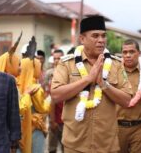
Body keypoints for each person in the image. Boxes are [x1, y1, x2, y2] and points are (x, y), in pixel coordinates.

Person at [51, 15, 132, 153]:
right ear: (82, 39)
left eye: (103, 36)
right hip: (75, 144)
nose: (101, 40)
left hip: (106, 145)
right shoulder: (67, 63)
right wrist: (88, 80)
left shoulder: (116, 64)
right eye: (95, 36)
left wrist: (103, 84)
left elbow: (126, 100)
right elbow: (56, 95)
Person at [116, 39, 141, 153]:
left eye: (132, 52)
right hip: (117, 127)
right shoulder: (114, 71)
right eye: (125, 52)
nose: (128, 55)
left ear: (139, 53)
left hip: (140, 128)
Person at [48, 49, 65, 153]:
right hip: (55, 119)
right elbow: (52, 100)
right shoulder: (51, 76)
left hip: (67, 120)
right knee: (52, 148)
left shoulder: (70, 74)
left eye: (59, 58)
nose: (56, 60)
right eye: (55, 58)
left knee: (66, 148)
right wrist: (52, 120)